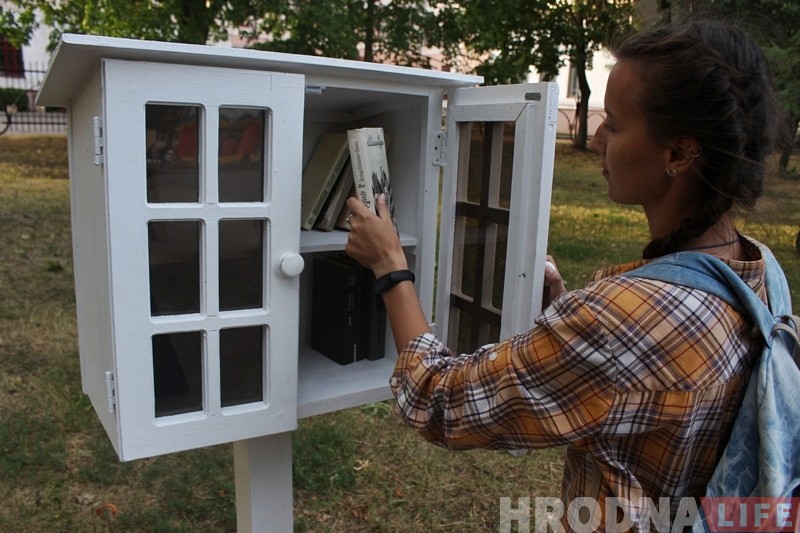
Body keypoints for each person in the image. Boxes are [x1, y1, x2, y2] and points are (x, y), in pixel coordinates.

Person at [344, 19, 790, 532]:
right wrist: (568, 316)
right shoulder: (758, 269)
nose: (596, 140)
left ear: (678, 154)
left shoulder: (622, 320)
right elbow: (653, 389)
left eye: (614, 125)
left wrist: (390, 266)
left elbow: (438, 401)